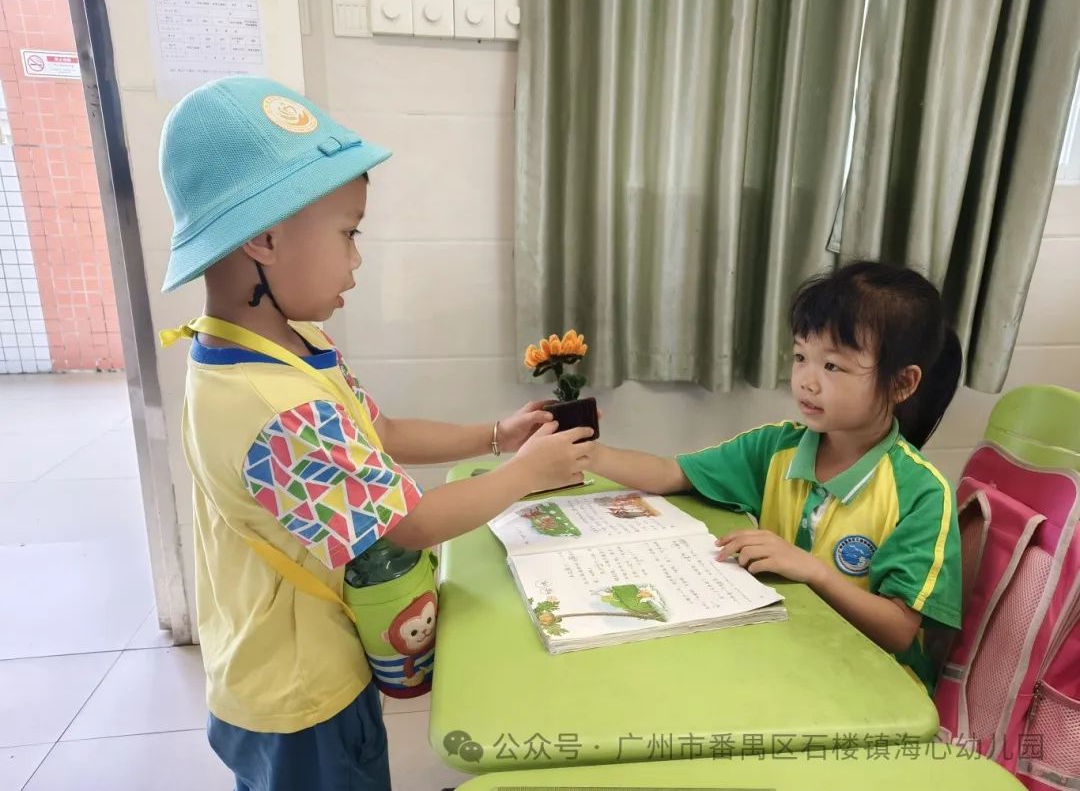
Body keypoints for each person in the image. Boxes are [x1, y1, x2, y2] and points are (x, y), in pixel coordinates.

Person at [157, 76, 595, 790]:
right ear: (266, 239)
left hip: (287, 662)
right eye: (347, 233)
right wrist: (527, 474)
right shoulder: (275, 405)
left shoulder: (282, 351)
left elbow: (379, 431)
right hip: (299, 696)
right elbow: (409, 524)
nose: (356, 259)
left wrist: (495, 435)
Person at [591, 261, 963, 692]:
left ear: (901, 384)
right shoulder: (774, 448)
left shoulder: (921, 492)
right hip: (787, 652)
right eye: (801, 357)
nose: (807, 381)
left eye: (833, 367)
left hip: (874, 685)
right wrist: (589, 454)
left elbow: (899, 629)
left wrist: (813, 571)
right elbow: (670, 472)